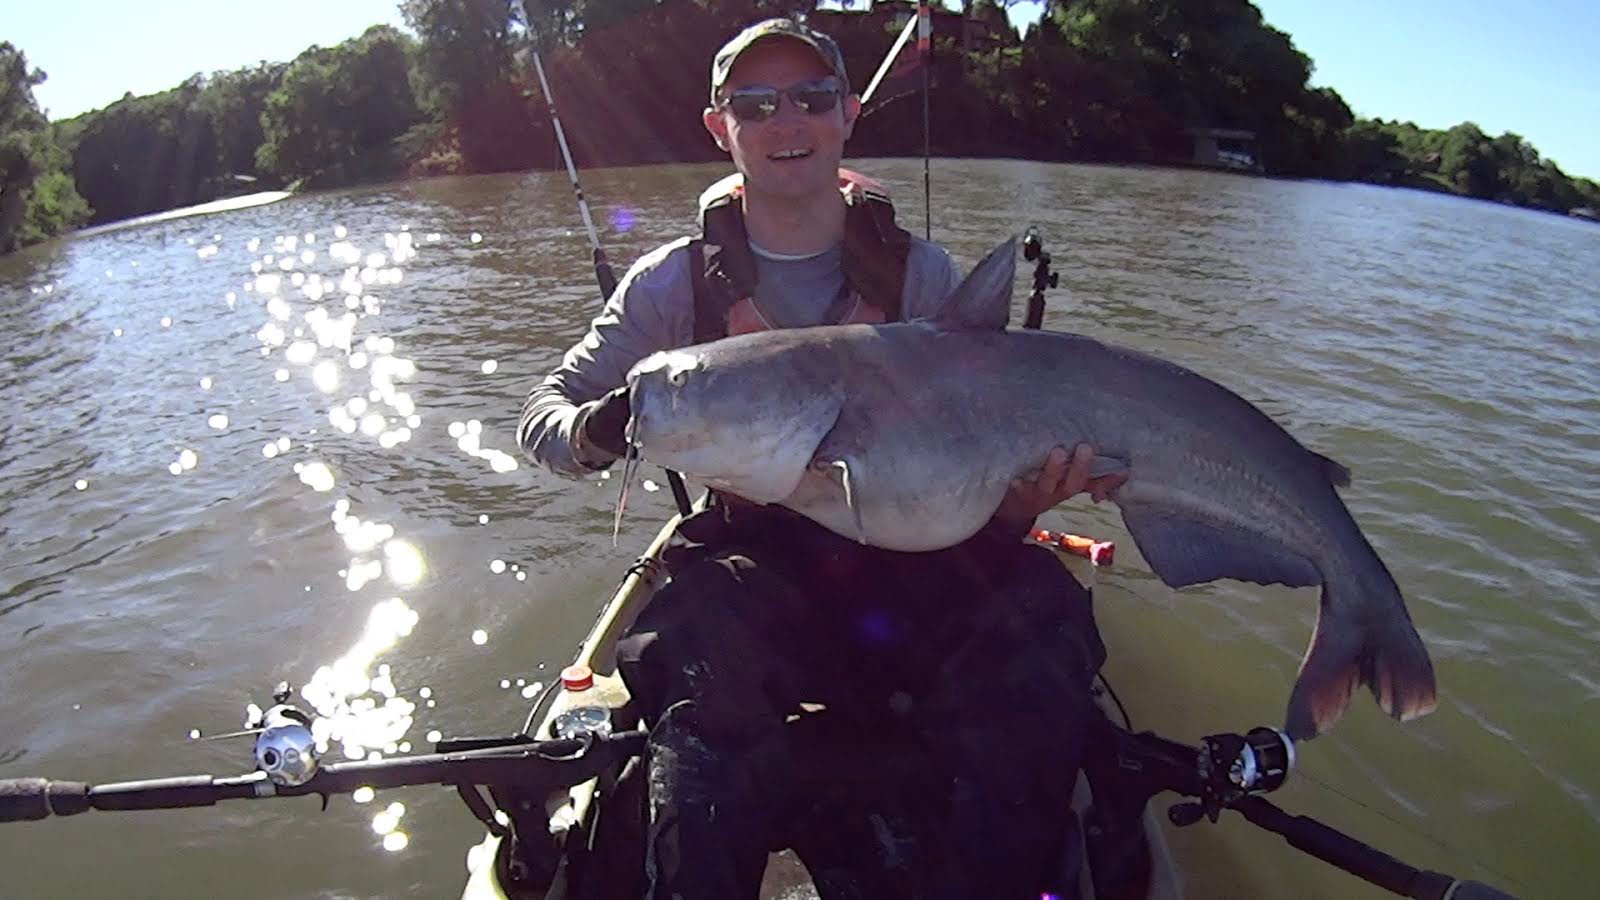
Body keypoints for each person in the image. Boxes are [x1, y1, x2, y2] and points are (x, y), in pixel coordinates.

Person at [518, 17, 1126, 899]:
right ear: (719, 127)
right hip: (754, 573)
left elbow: (981, 472)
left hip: (923, 568)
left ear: (848, 113)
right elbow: (541, 416)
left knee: (1041, 619)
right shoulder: (666, 286)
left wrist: (1024, 501)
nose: (786, 121)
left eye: (809, 98)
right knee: (693, 651)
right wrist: (599, 429)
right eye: (755, 104)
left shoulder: (923, 277)